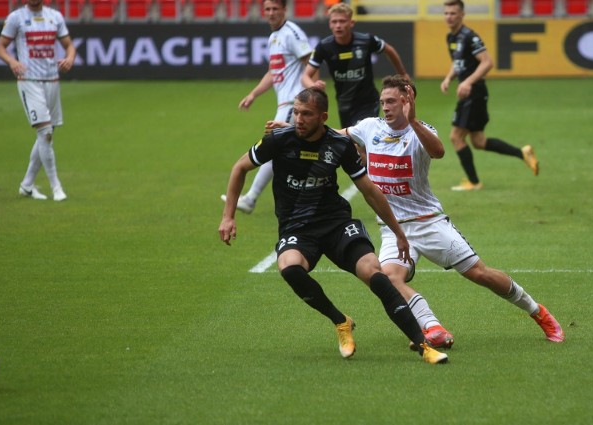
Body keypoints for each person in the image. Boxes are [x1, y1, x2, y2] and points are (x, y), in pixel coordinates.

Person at [219, 87, 448, 364]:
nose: (299, 119)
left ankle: (425, 346)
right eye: (296, 112)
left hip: (336, 224)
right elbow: (239, 168)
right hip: (297, 228)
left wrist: (399, 233)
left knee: (374, 273)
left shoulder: (338, 146)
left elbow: (370, 191)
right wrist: (228, 216)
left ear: (323, 117)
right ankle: (341, 321)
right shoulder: (279, 139)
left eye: (307, 114)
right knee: (289, 267)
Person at [344, 74, 564, 344]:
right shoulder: (369, 127)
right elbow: (335, 136)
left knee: (479, 274)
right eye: (383, 102)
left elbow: (438, 152)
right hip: (393, 227)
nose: (386, 107)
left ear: (407, 101)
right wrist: (295, 128)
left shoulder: (422, 131)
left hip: (429, 222)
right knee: (388, 279)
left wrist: (412, 121)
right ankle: (433, 327)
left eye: (392, 101)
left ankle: (538, 312)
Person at [220, 0, 313, 214]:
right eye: (267, 9)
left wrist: (311, 95)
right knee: (292, 150)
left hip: (294, 102)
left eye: (275, 9)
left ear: (284, 10)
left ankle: (251, 198)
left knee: (276, 146)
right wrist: (254, 94)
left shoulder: (292, 33)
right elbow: (273, 72)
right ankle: (301, 198)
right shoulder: (274, 37)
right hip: (285, 102)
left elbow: (310, 61)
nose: (271, 13)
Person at [440, 0, 539, 191]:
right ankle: (523, 153)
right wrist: (449, 77)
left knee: (456, 137)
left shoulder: (470, 36)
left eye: (453, 13)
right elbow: (458, 62)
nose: (449, 17)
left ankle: (474, 182)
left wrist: (467, 81)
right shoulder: (451, 38)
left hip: (474, 93)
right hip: (469, 92)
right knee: (478, 141)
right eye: (446, 13)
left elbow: (487, 62)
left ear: (462, 15)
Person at [0, 0, 75, 202]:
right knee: (45, 132)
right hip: (29, 80)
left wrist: (70, 58)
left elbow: (69, 45)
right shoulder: (16, 18)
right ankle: (56, 187)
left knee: (45, 135)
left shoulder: (55, 17)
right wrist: (12, 61)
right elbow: (0, 48)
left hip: (52, 81)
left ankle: (27, 185)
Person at [302, 2, 409, 129]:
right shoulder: (324, 47)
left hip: (368, 102)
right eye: (334, 22)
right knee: (351, 142)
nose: (338, 26)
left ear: (351, 23)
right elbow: (305, 77)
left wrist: (402, 74)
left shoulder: (366, 40)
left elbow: (389, 50)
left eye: (342, 21)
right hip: (344, 104)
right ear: (330, 24)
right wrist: (313, 86)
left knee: (361, 135)